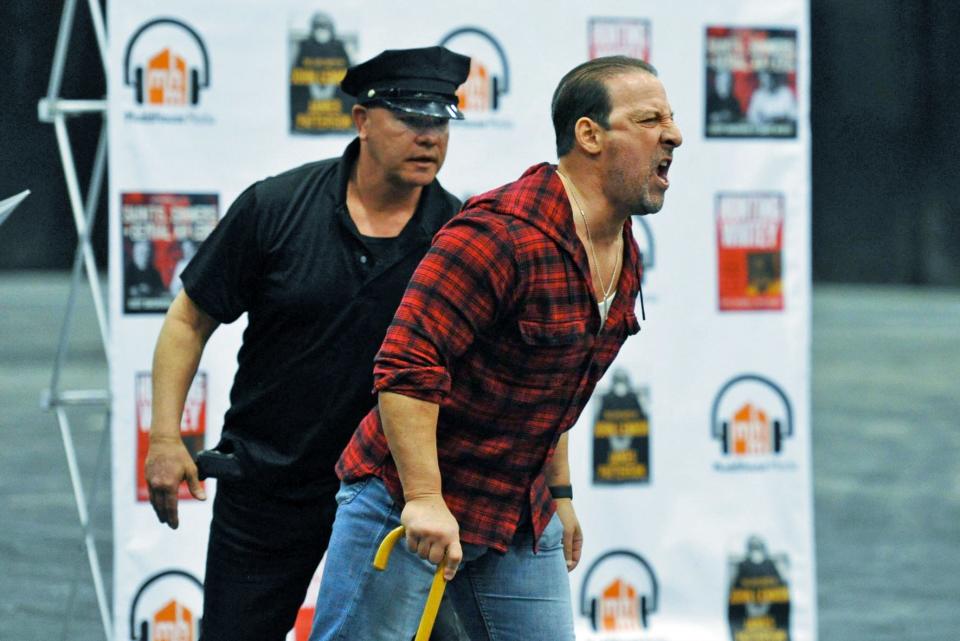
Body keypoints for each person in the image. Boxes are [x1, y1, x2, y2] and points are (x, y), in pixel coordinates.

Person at [309, 55, 683, 641]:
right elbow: (407, 367)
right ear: (589, 135)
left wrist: (559, 493)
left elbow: (555, 382)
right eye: (649, 119)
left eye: (671, 119)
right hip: (405, 500)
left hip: (518, 509)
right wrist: (426, 499)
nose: (674, 135)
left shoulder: (620, 245)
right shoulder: (500, 233)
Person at [143, 46, 471, 641]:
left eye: (441, 121)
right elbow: (189, 320)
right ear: (362, 119)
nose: (429, 137)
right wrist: (166, 437)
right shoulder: (276, 207)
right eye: (410, 119)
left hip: (390, 500)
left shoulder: (461, 235)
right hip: (268, 485)